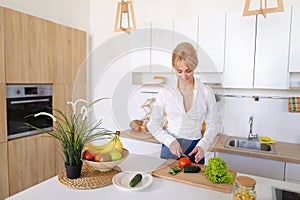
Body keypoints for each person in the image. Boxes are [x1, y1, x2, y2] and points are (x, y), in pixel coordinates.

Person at [147, 42, 218, 164]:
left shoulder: (207, 92)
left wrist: (204, 145)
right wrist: (169, 141)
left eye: (188, 71)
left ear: (194, 67)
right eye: (179, 71)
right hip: (171, 147)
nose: (184, 76)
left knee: (194, 182)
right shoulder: (165, 92)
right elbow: (152, 124)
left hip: (196, 149)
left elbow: (213, 125)